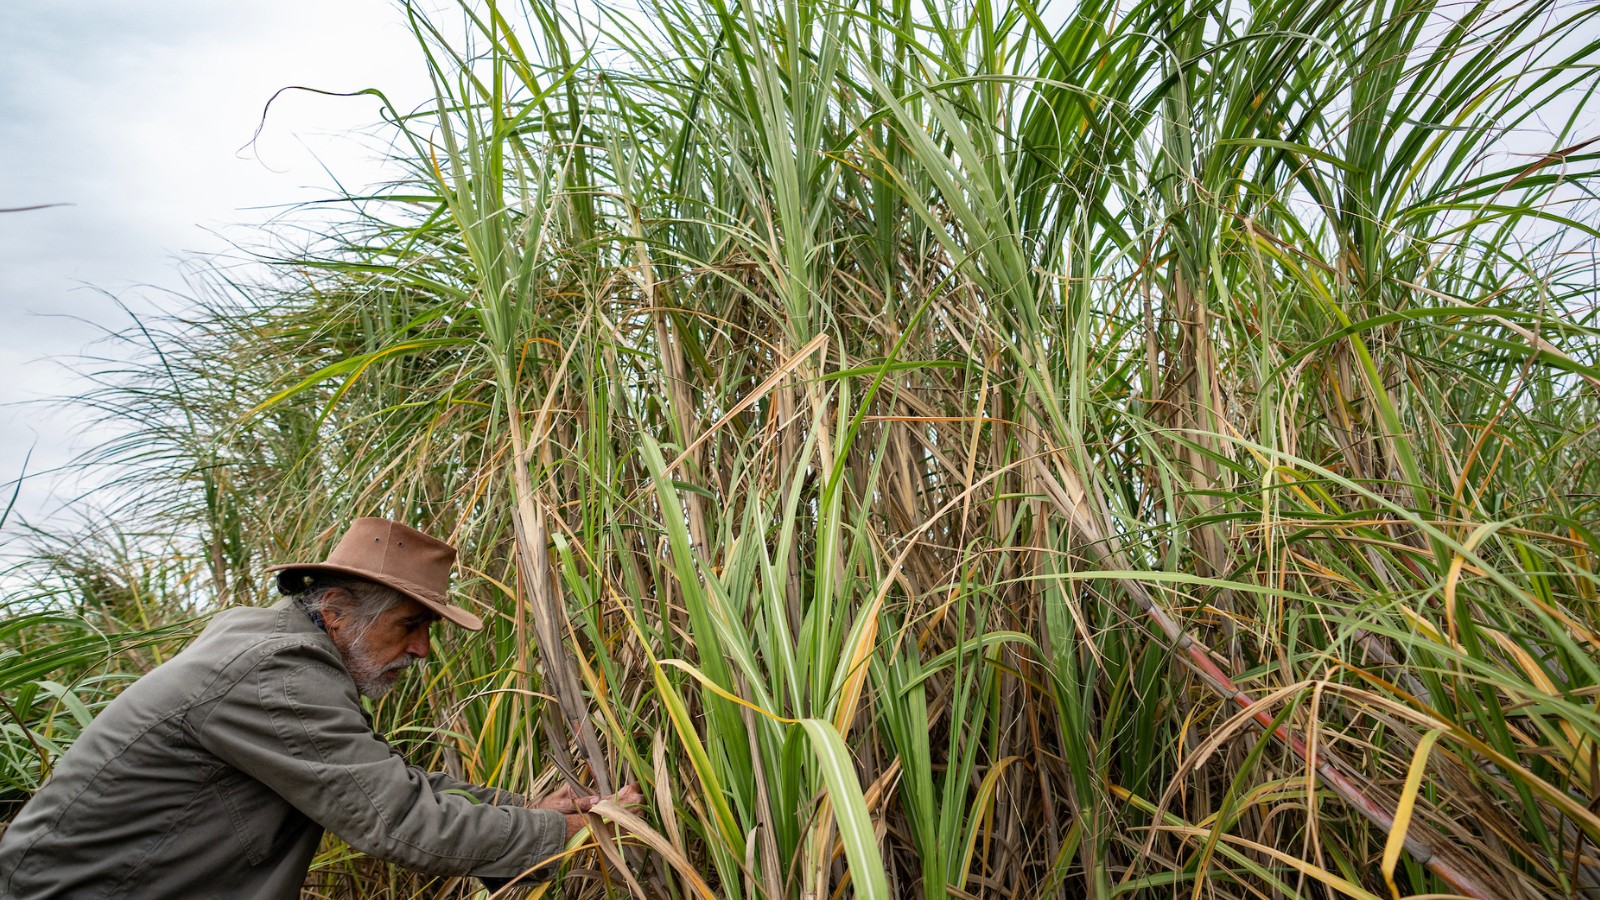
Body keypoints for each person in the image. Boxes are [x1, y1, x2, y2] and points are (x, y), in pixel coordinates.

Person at [0, 517, 638, 899]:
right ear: (335, 610)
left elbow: (383, 782)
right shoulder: (275, 675)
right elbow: (397, 821)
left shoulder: (272, 649)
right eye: (411, 624)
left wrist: (523, 809)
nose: (421, 649)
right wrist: (564, 836)